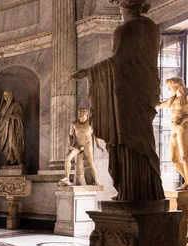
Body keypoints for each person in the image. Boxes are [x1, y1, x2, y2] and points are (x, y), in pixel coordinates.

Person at [70, 0, 164, 201]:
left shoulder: (125, 29)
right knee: (144, 139)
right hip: (145, 90)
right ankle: (148, 191)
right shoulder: (152, 27)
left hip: (127, 95)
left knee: (125, 139)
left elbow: (117, 63)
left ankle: (130, 192)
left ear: (124, 8)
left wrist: (88, 72)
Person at [157, 77, 188, 190]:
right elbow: (159, 105)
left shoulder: (187, 97)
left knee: (185, 157)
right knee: (174, 159)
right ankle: (187, 180)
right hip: (173, 129)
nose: (168, 88)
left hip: (183, 128)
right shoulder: (173, 98)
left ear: (175, 85)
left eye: (169, 86)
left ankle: (187, 183)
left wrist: (184, 119)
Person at [59, 108, 104, 186]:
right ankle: (67, 178)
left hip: (87, 144)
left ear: (86, 114)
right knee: (67, 158)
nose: (79, 114)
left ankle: (96, 181)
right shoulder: (74, 124)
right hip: (78, 144)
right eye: (79, 113)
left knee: (91, 163)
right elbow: (70, 135)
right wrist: (70, 145)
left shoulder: (90, 123)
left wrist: (98, 144)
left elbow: (96, 134)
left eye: (81, 113)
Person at [0, 89, 25, 165]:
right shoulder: (3, 107)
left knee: (14, 144)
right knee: (7, 146)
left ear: (10, 96)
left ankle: (19, 160)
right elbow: (0, 119)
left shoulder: (16, 105)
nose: (4, 97)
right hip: (4, 129)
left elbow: (21, 116)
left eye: (6, 95)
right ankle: (8, 160)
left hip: (13, 129)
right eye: (4, 95)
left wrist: (14, 117)